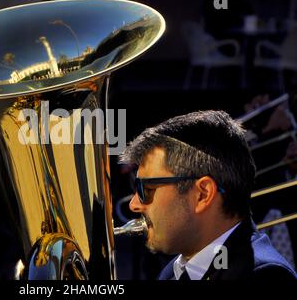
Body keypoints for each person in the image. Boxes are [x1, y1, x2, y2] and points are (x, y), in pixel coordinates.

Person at [119, 110, 297, 280]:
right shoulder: (175, 270)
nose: (133, 204)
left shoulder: (263, 275)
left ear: (202, 194)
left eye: (146, 189)